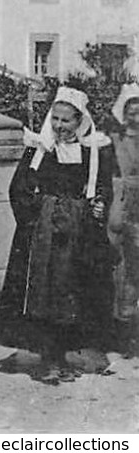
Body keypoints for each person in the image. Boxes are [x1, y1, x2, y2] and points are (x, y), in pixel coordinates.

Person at [0, 86, 114, 383]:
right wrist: (36, 218)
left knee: (71, 292)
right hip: (44, 234)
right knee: (43, 293)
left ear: (80, 121)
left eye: (67, 120)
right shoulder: (39, 148)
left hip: (78, 235)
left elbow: (102, 188)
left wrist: (98, 207)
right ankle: (47, 359)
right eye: (55, 119)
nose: (59, 126)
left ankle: (62, 355)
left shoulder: (93, 151)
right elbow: (18, 188)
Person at [108, 83, 139, 354]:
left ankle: (130, 318)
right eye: (132, 111)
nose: (137, 117)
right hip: (121, 204)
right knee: (119, 262)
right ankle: (118, 323)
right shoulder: (114, 139)